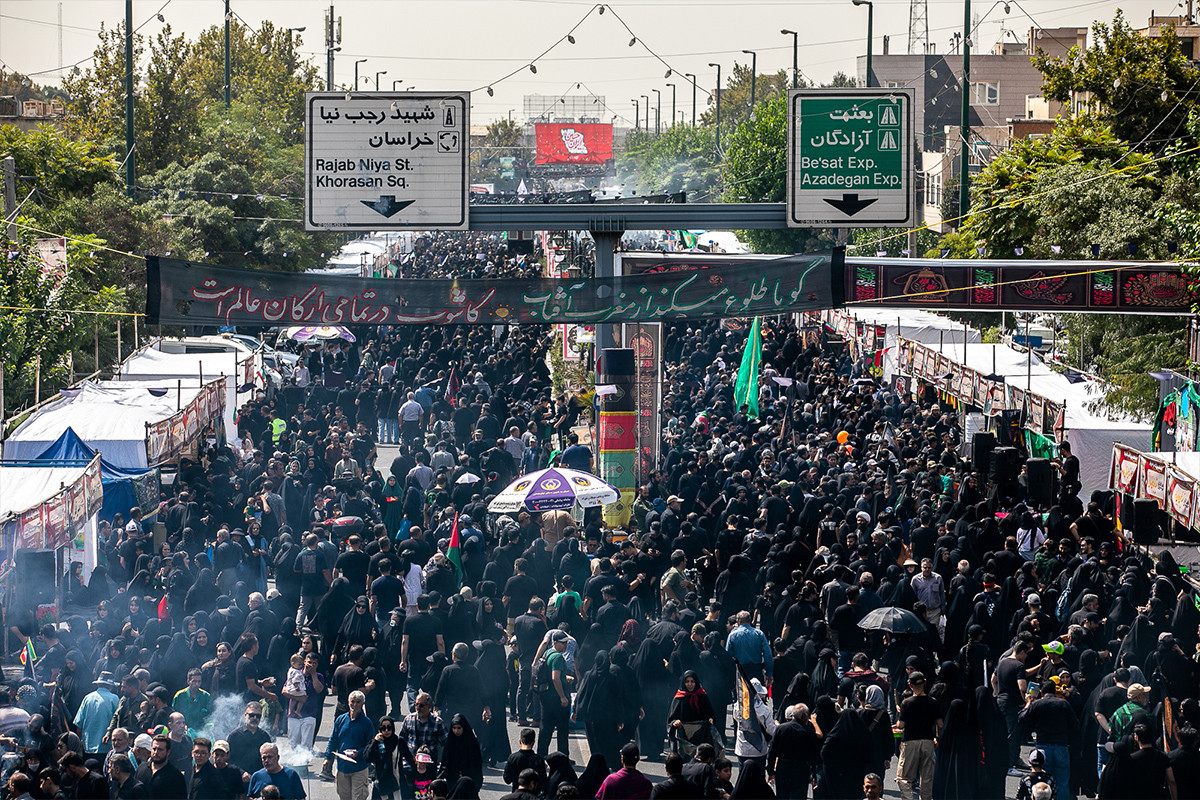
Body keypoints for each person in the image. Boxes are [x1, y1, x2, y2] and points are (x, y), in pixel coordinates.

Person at [896, 672, 941, 800]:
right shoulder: (933, 702)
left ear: (910, 685)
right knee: (927, 777)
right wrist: (937, 738)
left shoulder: (906, 703)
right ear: (925, 682)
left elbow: (901, 725)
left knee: (903, 777)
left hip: (910, 741)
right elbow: (940, 723)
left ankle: (908, 798)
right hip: (927, 741)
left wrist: (899, 714)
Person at [323, 690, 375, 800]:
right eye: (352, 701)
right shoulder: (341, 720)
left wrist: (358, 752)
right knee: (344, 797)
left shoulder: (367, 723)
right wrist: (327, 758)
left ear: (362, 704)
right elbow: (333, 740)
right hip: (342, 767)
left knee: (358, 797)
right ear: (348, 702)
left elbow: (370, 745)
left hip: (359, 768)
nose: (355, 705)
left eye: (358, 702)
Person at [538, 630, 572, 759]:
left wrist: (564, 677)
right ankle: (562, 757)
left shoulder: (547, 653)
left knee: (546, 728)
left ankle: (541, 755)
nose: (565, 645)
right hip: (556, 698)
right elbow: (555, 678)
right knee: (562, 729)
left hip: (546, 696)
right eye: (563, 643)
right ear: (555, 642)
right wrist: (563, 697)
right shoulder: (557, 657)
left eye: (566, 643)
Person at [72, 672, 119, 755]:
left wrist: (81, 742)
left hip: (88, 746)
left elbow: (79, 725)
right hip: (107, 747)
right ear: (110, 686)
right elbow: (118, 722)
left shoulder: (87, 698)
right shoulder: (114, 699)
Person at [134, 735, 188, 800]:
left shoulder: (176, 776)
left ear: (168, 752)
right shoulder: (141, 769)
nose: (156, 752)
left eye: (160, 750)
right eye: (154, 749)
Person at [227, 702, 273, 775]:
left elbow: (270, 759)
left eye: (258, 716)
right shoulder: (234, 736)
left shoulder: (264, 736)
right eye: (251, 715)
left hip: (259, 777)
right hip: (238, 777)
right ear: (245, 715)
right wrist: (242, 773)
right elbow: (228, 759)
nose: (255, 718)